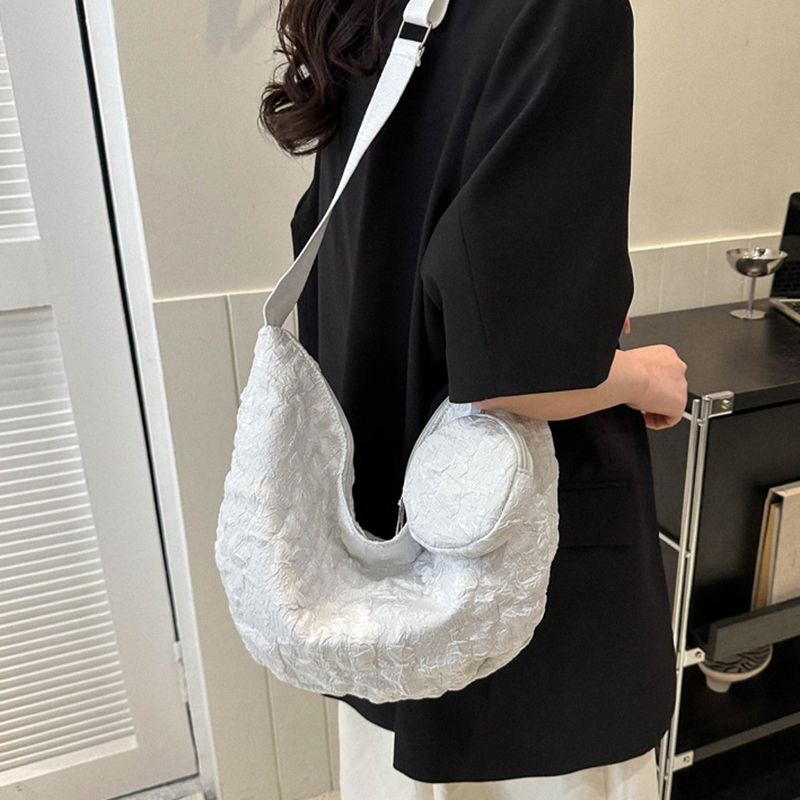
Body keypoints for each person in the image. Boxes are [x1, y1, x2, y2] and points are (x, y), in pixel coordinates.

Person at [259, 0, 688, 797]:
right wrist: (644, 376)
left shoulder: (370, 13)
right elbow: (516, 377)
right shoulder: (560, 11)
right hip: (523, 616)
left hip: (380, 563)